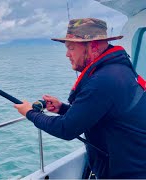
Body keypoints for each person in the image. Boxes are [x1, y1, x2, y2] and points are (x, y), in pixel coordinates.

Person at [14, 18, 146, 178]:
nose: (67, 54)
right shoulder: (117, 70)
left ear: (93, 46)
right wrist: (62, 108)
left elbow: (66, 129)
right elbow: (100, 114)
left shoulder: (103, 80)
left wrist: (30, 113)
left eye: (71, 48)